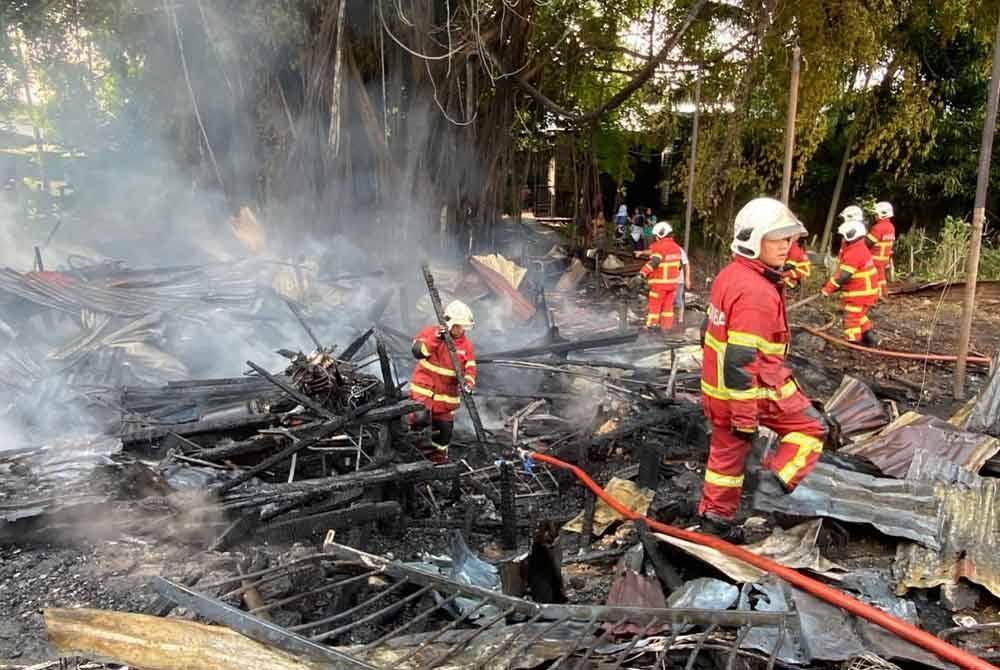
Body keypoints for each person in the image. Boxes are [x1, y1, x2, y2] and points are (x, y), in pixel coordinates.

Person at [698, 197, 828, 541]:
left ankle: (715, 520)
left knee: (725, 459)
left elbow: (707, 334)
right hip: (750, 393)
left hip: (717, 392)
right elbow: (742, 363)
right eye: (779, 238)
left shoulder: (730, 275)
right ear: (754, 240)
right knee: (812, 429)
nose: (787, 246)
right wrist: (744, 416)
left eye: (789, 238)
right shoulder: (755, 291)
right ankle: (769, 487)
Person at [408, 300, 477, 464]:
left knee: (444, 430)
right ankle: (414, 453)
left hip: (447, 396)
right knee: (419, 419)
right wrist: (435, 339)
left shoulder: (466, 346)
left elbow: (471, 367)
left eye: (463, 327)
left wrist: (468, 382)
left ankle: (438, 460)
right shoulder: (431, 333)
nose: (460, 330)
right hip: (423, 389)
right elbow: (418, 352)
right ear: (450, 323)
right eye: (458, 326)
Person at [822, 206, 880, 345]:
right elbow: (843, 271)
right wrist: (831, 284)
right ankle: (870, 339)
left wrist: (828, 289)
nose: (842, 238)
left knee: (851, 318)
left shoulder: (854, 252)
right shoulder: (857, 246)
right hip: (864, 290)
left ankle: (853, 343)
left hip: (860, 292)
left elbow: (844, 275)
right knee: (859, 315)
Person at [631, 221, 686, 330]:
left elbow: (654, 262)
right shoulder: (676, 248)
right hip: (672, 285)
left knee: (654, 308)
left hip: (659, 285)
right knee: (667, 309)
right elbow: (679, 266)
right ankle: (666, 328)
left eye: (655, 236)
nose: (655, 238)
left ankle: (651, 327)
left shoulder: (659, 247)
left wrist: (641, 274)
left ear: (660, 235)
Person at [867, 201, 896, 299]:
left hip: (875, 258)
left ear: (882, 214)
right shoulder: (891, 227)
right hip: (884, 259)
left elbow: (868, 243)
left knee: (872, 278)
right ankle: (883, 294)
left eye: (876, 214)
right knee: (881, 277)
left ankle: (875, 296)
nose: (875, 216)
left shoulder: (878, 228)